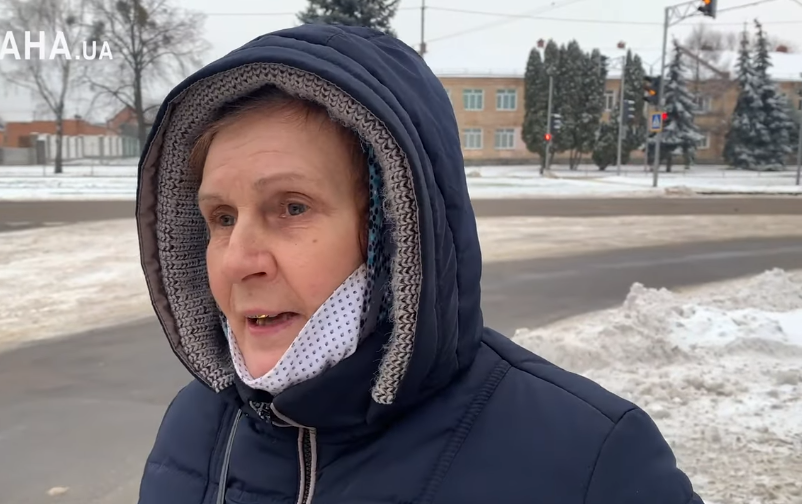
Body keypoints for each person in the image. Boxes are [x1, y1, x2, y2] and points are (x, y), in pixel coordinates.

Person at [135, 24, 704, 504]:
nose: (238, 261)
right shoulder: (194, 427)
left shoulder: (590, 459)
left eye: (292, 207)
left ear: (395, 232)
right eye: (222, 217)